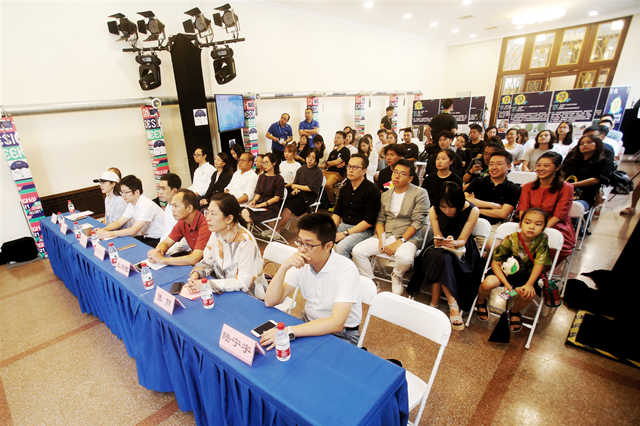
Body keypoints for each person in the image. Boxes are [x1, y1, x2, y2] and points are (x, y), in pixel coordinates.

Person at [261, 213, 363, 347]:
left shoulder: (346, 269)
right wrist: (284, 267)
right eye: (299, 242)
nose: (301, 249)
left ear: (328, 246)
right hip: (309, 322)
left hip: (341, 334)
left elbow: (336, 323)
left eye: (308, 245)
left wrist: (289, 331)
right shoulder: (302, 261)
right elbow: (271, 301)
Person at [407, 182, 481, 330]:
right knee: (441, 256)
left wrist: (453, 243)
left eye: (451, 206)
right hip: (439, 247)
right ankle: (452, 304)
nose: (447, 211)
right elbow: (437, 235)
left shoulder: (472, 211)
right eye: (443, 206)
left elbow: (463, 240)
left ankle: (434, 303)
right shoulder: (434, 209)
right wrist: (441, 241)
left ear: (459, 202)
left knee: (443, 258)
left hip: (462, 250)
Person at [352, 160, 430, 295]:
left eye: (402, 174)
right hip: (387, 234)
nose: (397, 176)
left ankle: (397, 275)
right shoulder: (386, 194)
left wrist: (400, 242)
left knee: (405, 259)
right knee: (358, 251)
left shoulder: (420, 193)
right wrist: (381, 239)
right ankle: (371, 281)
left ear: (410, 178)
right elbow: (380, 219)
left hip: (408, 237)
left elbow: (418, 222)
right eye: (395, 172)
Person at [475, 208, 551, 332]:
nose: (532, 227)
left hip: (527, 275)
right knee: (487, 284)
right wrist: (506, 284)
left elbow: (539, 264)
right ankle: (481, 300)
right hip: (505, 271)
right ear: (521, 224)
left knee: (528, 293)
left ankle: (515, 311)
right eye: (527, 222)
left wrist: (529, 284)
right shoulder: (511, 239)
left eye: (538, 224)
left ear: (543, 227)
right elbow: (495, 263)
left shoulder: (542, 241)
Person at [185, 193, 263, 293]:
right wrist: (196, 274)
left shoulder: (246, 242)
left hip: (249, 295)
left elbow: (244, 283)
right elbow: (208, 262)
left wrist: (208, 285)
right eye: (207, 212)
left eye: (213, 214)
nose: (207, 218)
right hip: (225, 289)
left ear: (229, 219)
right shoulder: (216, 233)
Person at [516, 152, 575, 259]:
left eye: (546, 166)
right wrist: (527, 226)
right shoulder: (527, 187)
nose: (541, 168)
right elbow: (522, 210)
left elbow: (559, 215)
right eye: (538, 165)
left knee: (544, 246)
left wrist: (539, 230)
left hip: (554, 225)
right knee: (512, 243)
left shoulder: (566, 188)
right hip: (528, 223)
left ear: (557, 168)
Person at [332, 154, 381, 258]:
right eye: (349, 166)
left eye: (355, 167)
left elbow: (368, 221)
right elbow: (337, 213)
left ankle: (347, 268)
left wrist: (345, 233)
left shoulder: (372, 190)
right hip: (344, 225)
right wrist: (331, 228)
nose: (350, 170)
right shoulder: (345, 188)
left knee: (341, 248)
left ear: (364, 171)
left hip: (363, 230)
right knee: (322, 240)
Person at [95, 174, 165, 247]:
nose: (123, 195)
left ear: (137, 192)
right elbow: (119, 222)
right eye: (122, 192)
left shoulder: (146, 205)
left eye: (126, 192)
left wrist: (110, 233)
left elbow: (133, 230)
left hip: (159, 239)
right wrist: (103, 229)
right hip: (145, 236)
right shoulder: (131, 203)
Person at [146, 189, 211, 266]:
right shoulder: (183, 222)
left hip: (209, 265)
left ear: (189, 208)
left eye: (176, 206)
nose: (172, 210)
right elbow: (167, 242)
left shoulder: (205, 224)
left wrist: (162, 260)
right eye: (172, 206)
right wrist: (158, 251)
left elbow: (194, 258)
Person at [465, 150, 521, 225]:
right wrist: (494, 205)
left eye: (499, 164)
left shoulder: (513, 188)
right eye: (491, 164)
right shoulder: (477, 181)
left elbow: (503, 214)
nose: (494, 167)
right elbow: (465, 200)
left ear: (509, 166)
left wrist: (474, 208)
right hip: (469, 221)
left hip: (495, 226)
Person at [562, 134, 613, 209]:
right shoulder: (572, 159)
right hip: (565, 190)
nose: (585, 145)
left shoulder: (603, 161)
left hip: (586, 194)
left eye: (589, 142)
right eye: (581, 144)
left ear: (597, 144)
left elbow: (597, 179)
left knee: (573, 206)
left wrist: (572, 185)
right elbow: (562, 173)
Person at [278, 149, 324, 229]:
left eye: (313, 157)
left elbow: (310, 188)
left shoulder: (318, 172)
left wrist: (296, 186)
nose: (310, 159)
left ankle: (277, 230)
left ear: (316, 160)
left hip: (309, 196)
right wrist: (295, 189)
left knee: (288, 207)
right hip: (299, 192)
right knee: (282, 201)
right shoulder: (301, 169)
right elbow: (295, 183)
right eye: (308, 157)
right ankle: (279, 226)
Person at [240, 153, 285, 225]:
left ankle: (249, 226)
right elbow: (258, 193)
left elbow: (276, 198)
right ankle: (249, 226)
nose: (264, 165)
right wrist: (254, 201)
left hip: (271, 207)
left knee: (247, 216)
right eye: (263, 163)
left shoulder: (279, 179)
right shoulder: (262, 176)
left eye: (266, 162)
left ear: (274, 163)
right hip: (259, 204)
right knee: (244, 212)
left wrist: (262, 205)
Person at [324, 131, 350, 204]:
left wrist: (331, 163)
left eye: (338, 138)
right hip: (327, 172)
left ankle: (332, 202)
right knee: (314, 179)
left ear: (344, 140)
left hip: (337, 174)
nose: (336, 139)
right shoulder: (333, 152)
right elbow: (327, 164)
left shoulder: (346, 150)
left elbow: (336, 162)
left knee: (327, 184)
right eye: (335, 137)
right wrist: (332, 163)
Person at [156, 173, 182, 246]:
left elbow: (183, 240)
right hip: (167, 246)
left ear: (174, 191)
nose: (160, 192)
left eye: (163, 189)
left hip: (178, 249)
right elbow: (166, 232)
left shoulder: (182, 209)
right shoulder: (168, 206)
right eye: (159, 188)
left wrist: (164, 249)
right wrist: (159, 247)